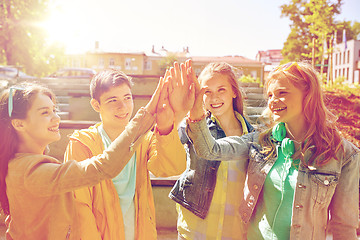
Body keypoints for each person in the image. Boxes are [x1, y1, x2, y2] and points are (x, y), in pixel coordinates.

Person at [171, 61, 360, 239]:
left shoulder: (344, 155)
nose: (273, 101)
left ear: (308, 95)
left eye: (281, 93)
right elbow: (210, 150)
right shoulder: (261, 141)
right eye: (270, 95)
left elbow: (344, 227)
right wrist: (194, 109)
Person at [0, 79, 167, 239]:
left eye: (54, 110)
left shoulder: (19, 165)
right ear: (19, 124)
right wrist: (147, 116)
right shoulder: (31, 172)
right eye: (45, 112)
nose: (56, 118)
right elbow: (105, 166)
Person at [63, 69, 186, 240]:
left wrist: (166, 128)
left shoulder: (144, 139)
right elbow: (79, 207)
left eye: (127, 98)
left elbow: (171, 167)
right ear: (96, 105)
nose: (123, 107)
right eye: (112, 100)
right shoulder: (82, 144)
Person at [166, 61, 253, 239]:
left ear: (234, 92)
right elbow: (165, 145)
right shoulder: (192, 126)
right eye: (207, 91)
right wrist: (178, 112)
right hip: (195, 228)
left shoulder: (252, 134)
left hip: (234, 231)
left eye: (221, 90)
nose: (214, 98)